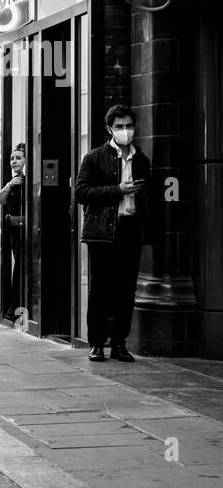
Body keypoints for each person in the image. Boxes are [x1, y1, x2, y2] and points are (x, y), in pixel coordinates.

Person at [76, 105, 151, 363]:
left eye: (129, 126)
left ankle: (119, 343)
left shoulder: (141, 160)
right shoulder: (94, 157)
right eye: (119, 127)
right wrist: (118, 189)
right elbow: (81, 193)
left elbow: (147, 199)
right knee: (100, 289)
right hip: (104, 231)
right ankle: (97, 343)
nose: (125, 131)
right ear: (110, 129)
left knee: (126, 289)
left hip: (130, 228)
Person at [0, 144, 27, 320]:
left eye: (18, 158)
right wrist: (9, 184)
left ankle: (15, 310)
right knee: (18, 268)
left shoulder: (28, 182)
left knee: (21, 270)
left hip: (24, 232)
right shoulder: (14, 182)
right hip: (12, 232)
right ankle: (14, 309)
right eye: (12, 158)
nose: (14, 161)